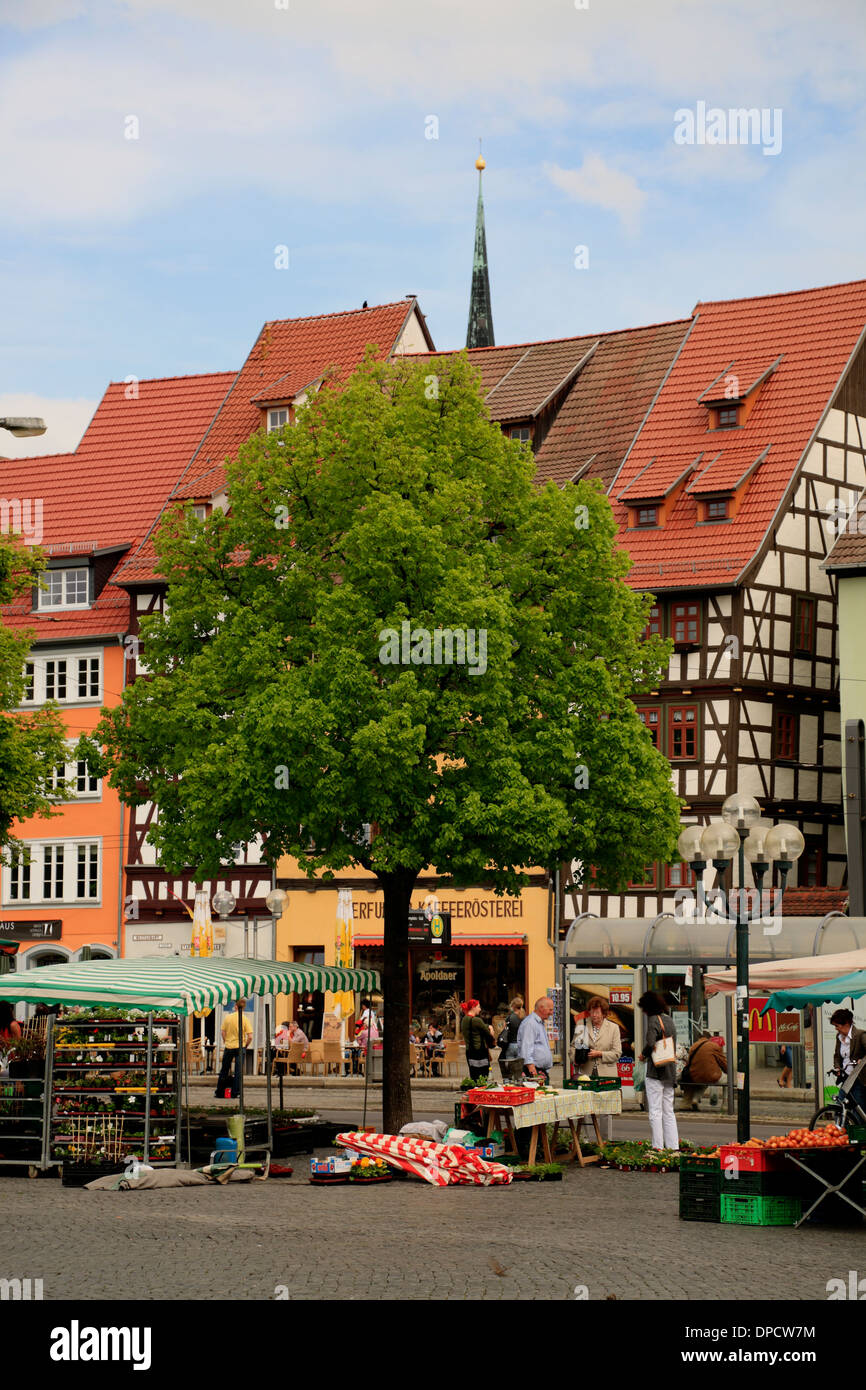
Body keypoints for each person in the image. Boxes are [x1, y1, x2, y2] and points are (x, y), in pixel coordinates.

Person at [638, 991, 679, 1151]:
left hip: (655, 1071)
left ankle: (657, 1147)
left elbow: (650, 1043)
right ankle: (673, 1146)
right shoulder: (669, 1020)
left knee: (655, 1110)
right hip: (669, 1070)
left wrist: (643, 1054)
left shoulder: (653, 1020)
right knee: (668, 1110)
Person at [214, 999, 253, 1099]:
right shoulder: (245, 1019)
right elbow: (250, 1036)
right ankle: (235, 1092)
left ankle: (219, 1091)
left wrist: (226, 1041)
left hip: (229, 1046)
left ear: (235, 1006)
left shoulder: (228, 1018)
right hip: (240, 1047)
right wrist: (246, 1045)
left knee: (224, 1070)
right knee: (238, 1071)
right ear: (243, 1008)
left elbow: (223, 1032)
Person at [679, 1031, 727, 1111]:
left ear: (700, 1038)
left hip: (695, 1076)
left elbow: (688, 1062)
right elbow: (723, 1062)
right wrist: (727, 1071)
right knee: (727, 1080)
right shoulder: (714, 1046)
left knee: (703, 1082)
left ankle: (695, 1100)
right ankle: (725, 1104)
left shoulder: (693, 1047)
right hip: (711, 1076)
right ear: (710, 1038)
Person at [830, 1008, 866, 1110]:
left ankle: (859, 1125)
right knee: (839, 1104)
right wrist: (837, 1067)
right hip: (846, 1077)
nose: (836, 1028)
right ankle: (840, 1126)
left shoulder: (860, 1035)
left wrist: (862, 1061)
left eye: (837, 1025)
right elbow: (837, 1055)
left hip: (859, 1078)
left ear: (846, 1024)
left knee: (858, 1109)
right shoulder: (839, 1037)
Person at [516, 996, 555, 1082]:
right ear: (541, 1008)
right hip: (533, 1071)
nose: (552, 1013)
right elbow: (526, 1046)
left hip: (539, 1071)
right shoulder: (530, 1023)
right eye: (550, 1009)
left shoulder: (538, 1022)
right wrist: (531, 1067)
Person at [460, 999, 495, 1082]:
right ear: (473, 1007)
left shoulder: (464, 1020)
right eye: (478, 1007)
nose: (480, 1009)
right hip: (480, 1052)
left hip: (469, 1052)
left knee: (474, 1076)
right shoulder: (477, 1020)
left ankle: (474, 1093)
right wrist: (491, 1029)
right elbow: (488, 1034)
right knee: (483, 1077)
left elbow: (477, 1027)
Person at [500, 996, 525, 1061]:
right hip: (521, 1045)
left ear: (513, 1006)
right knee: (519, 1068)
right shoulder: (524, 1018)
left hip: (511, 1045)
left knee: (510, 1068)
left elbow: (504, 1030)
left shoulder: (509, 1017)